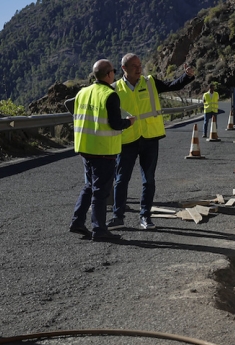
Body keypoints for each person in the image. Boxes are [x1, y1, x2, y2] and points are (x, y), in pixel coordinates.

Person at [107, 53, 194, 231]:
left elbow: (172, 85)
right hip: (127, 140)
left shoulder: (150, 82)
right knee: (121, 180)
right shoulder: (114, 89)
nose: (139, 68)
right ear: (124, 69)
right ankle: (118, 217)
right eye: (134, 66)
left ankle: (145, 217)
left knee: (148, 180)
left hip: (149, 137)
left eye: (140, 65)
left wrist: (187, 76)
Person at [69, 59, 135, 241]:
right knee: (100, 191)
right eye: (113, 71)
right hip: (103, 150)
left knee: (89, 187)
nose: (114, 73)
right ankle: (99, 229)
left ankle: (78, 222)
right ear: (108, 74)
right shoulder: (109, 94)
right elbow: (114, 123)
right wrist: (129, 122)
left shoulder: (83, 92)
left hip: (85, 147)